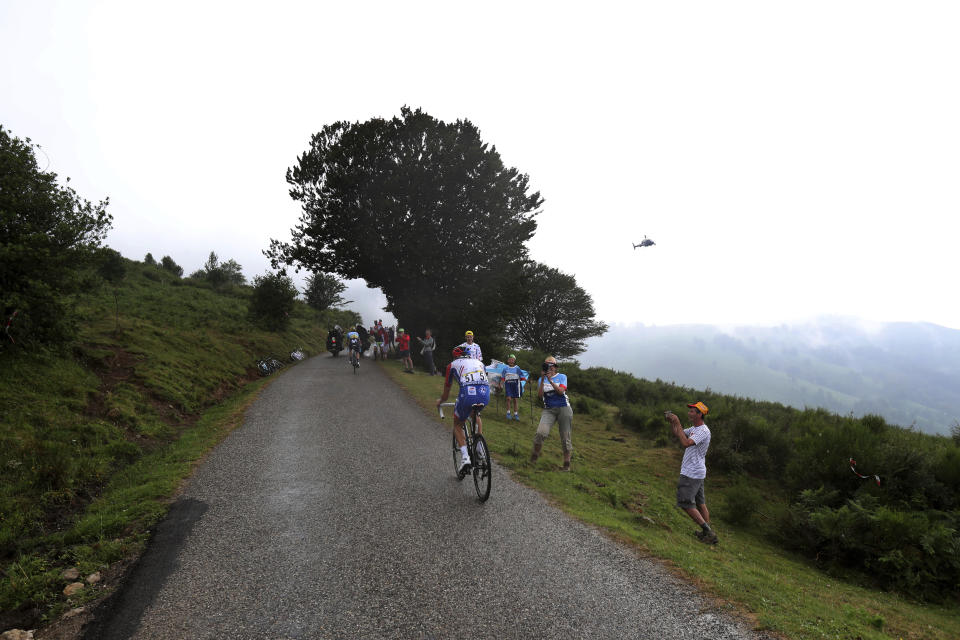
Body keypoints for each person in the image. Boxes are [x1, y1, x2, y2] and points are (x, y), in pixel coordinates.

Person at [665, 401, 717, 544]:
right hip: (697, 472)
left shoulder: (703, 431)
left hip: (692, 473)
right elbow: (678, 433)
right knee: (701, 503)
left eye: (692, 411)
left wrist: (678, 421)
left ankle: (708, 532)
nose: (689, 413)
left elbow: (686, 443)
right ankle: (707, 533)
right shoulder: (695, 428)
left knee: (685, 502)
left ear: (700, 414)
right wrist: (672, 422)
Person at [436, 345, 490, 474]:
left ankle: (465, 458)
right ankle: (479, 447)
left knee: (457, 424)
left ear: (455, 356)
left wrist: (440, 401)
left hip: (467, 394)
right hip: (485, 393)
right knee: (476, 414)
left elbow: (446, 391)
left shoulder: (452, 365)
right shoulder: (479, 362)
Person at [529, 356, 573, 471]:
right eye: (547, 365)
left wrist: (551, 380)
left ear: (555, 367)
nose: (549, 368)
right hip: (549, 409)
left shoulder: (562, 377)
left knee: (565, 436)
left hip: (564, 408)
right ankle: (534, 458)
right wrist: (543, 380)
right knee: (540, 433)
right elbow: (539, 396)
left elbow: (561, 391)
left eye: (551, 365)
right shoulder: (541, 379)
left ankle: (566, 464)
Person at [502, 354, 526, 420]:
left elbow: (522, 376)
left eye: (512, 359)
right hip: (508, 384)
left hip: (515, 385)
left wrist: (526, 380)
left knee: (515, 399)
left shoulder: (517, 368)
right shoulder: (505, 368)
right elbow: (503, 377)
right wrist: (500, 384)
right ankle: (508, 412)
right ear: (507, 360)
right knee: (508, 398)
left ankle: (516, 414)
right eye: (510, 359)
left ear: (514, 361)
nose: (511, 361)